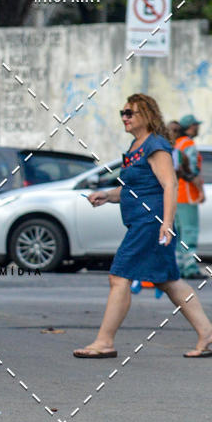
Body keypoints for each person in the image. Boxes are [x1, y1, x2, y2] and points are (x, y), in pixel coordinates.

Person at [73, 94, 212, 359]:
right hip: (142, 221)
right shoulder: (136, 145)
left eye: (130, 113)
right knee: (169, 281)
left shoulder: (155, 145)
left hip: (152, 223)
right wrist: (108, 196)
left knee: (119, 276)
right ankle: (207, 333)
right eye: (122, 113)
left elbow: (169, 184)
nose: (124, 117)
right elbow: (133, 188)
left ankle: (104, 341)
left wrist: (167, 224)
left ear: (146, 115)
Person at [174, 113, 206, 279]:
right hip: (187, 194)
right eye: (196, 125)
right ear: (191, 127)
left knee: (179, 234)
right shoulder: (189, 145)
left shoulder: (177, 144)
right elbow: (192, 171)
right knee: (190, 232)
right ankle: (190, 268)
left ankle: (179, 267)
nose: (198, 127)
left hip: (175, 194)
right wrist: (200, 191)